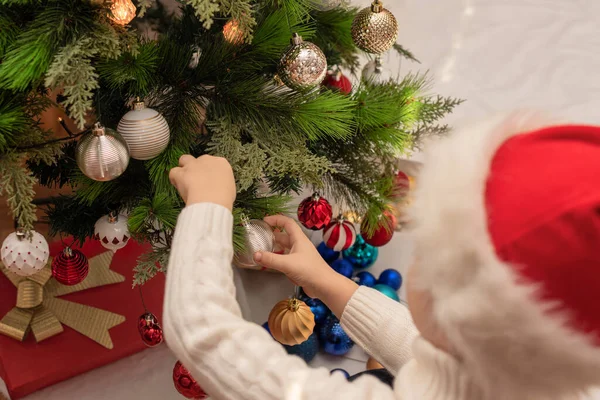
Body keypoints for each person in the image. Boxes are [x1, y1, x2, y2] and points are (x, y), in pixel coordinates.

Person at [165, 112, 600, 400]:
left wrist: (208, 206)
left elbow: (206, 333)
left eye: (428, 258)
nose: (413, 264)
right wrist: (329, 283)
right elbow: (436, 357)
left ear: (465, 317)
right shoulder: (541, 376)